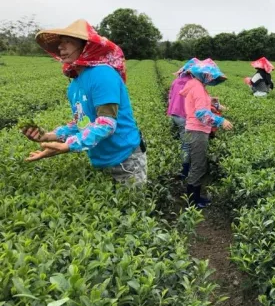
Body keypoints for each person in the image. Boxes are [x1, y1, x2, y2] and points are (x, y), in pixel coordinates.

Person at [21, 19, 147, 186]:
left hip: (126, 160)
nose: (60, 47)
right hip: (101, 160)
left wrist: (69, 145)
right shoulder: (74, 84)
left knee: (132, 209)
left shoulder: (102, 74)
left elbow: (106, 123)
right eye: (60, 43)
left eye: (68, 42)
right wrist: (49, 136)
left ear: (85, 47)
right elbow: (82, 122)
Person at [180, 58, 233, 208]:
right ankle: (193, 200)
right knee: (198, 165)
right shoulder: (197, 88)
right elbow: (202, 113)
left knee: (195, 164)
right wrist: (221, 121)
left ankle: (195, 196)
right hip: (197, 130)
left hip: (192, 129)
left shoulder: (195, 85)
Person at [167, 58, 195, 179]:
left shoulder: (176, 81)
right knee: (186, 144)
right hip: (184, 117)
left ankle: (180, 164)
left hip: (174, 114)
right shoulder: (192, 83)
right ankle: (184, 171)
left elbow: (170, 98)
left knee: (182, 140)